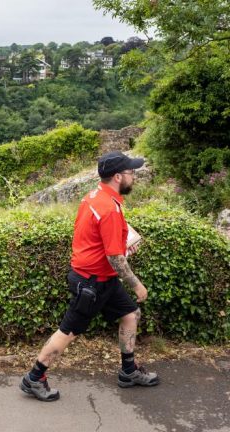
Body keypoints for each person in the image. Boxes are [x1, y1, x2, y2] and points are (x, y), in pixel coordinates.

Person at [20, 151, 160, 402]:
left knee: (130, 314)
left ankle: (128, 372)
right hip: (92, 282)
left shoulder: (94, 197)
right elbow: (114, 258)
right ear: (118, 177)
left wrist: (123, 243)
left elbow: (98, 241)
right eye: (130, 173)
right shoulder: (108, 208)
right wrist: (137, 285)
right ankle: (34, 377)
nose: (133, 177)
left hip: (101, 278)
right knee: (68, 332)